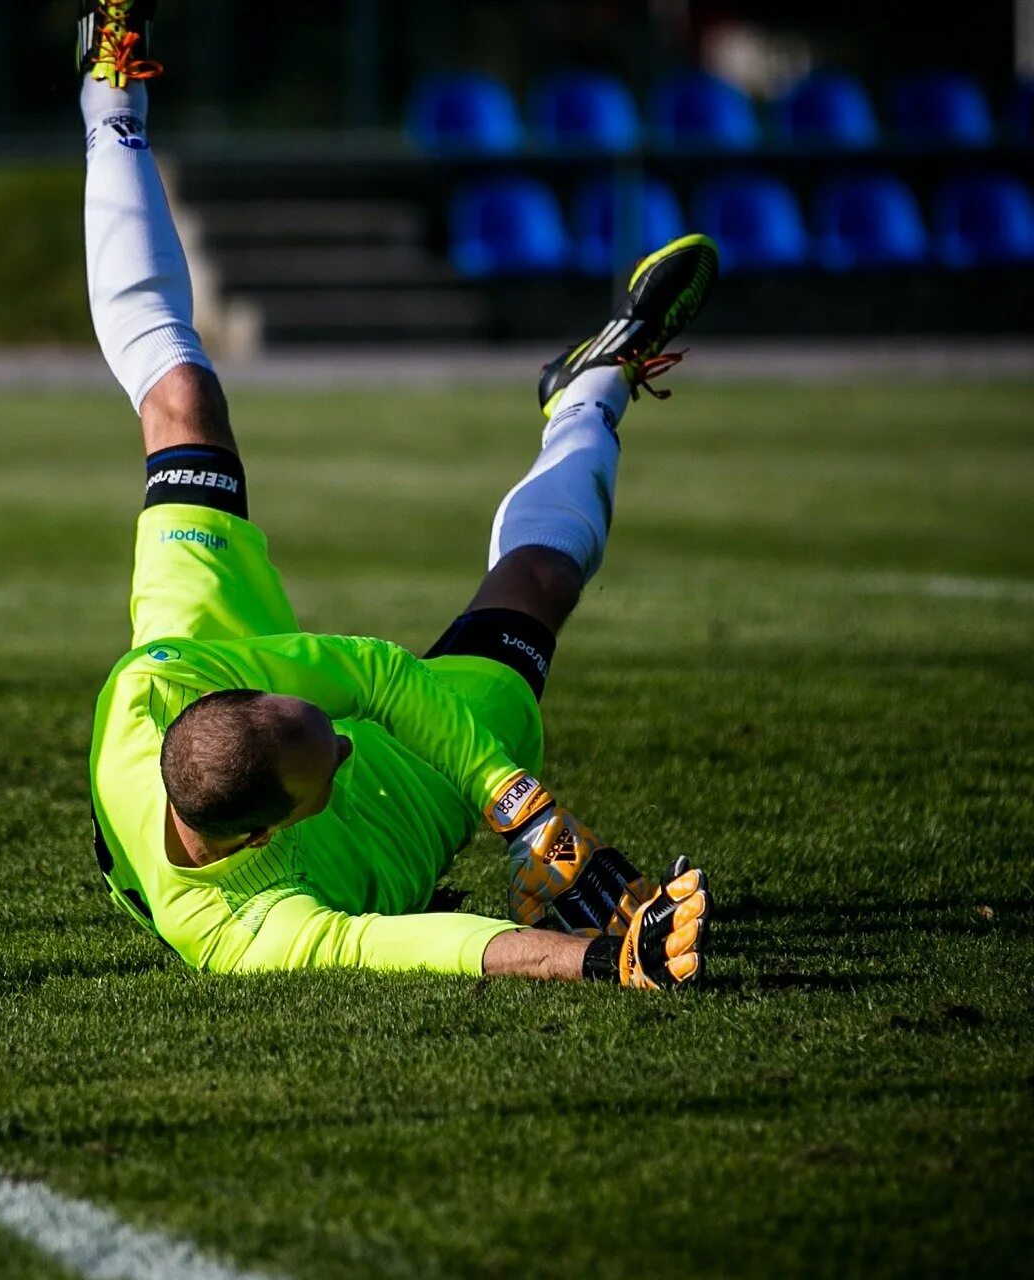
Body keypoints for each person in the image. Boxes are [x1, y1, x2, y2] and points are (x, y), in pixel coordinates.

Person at [79, 0, 714, 989]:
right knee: (536, 582)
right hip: (387, 817)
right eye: (325, 747)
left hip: (208, 659)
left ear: (235, 692)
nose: (345, 731)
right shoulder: (243, 930)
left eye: (310, 714)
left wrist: (526, 811)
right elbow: (423, 943)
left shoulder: (149, 692)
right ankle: (592, 388)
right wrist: (600, 955)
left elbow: (369, 677)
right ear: (281, 824)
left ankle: (107, 107)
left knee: (184, 400)